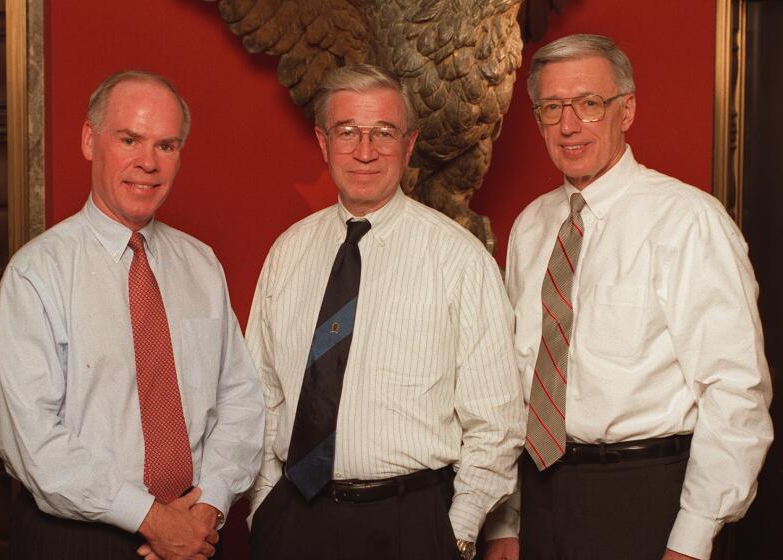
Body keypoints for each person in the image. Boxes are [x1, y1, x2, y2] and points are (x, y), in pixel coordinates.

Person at [484, 34, 773, 560]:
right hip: (540, 496)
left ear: (627, 109)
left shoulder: (687, 221)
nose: (569, 125)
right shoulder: (531, 226)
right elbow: (515, 382)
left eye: (590, 104)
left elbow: (735, 391)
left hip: (643, 499)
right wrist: (506, 517)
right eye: (552, 108)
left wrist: (693, 536)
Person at [245, 64, 525, 560]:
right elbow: (264, 395)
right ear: (322, 141)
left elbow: (496, 419)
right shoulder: (287, 252)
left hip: (409, 524)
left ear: (410, 143)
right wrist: (264, 510)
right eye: (347, 132)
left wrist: (457, 531)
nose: (365, 151)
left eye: (383, 133)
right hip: (294, 519)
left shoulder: (458, 259)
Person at [0, 70, 265, 560]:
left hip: (194, 533)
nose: (148, 163)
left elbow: (239, 398)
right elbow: (33, 442)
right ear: (90, 141)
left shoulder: (201, 265)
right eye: (129, 139)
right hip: (75, 538)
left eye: (167, 145)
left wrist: (209, 507)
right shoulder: (37, 274)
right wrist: (151, 519)